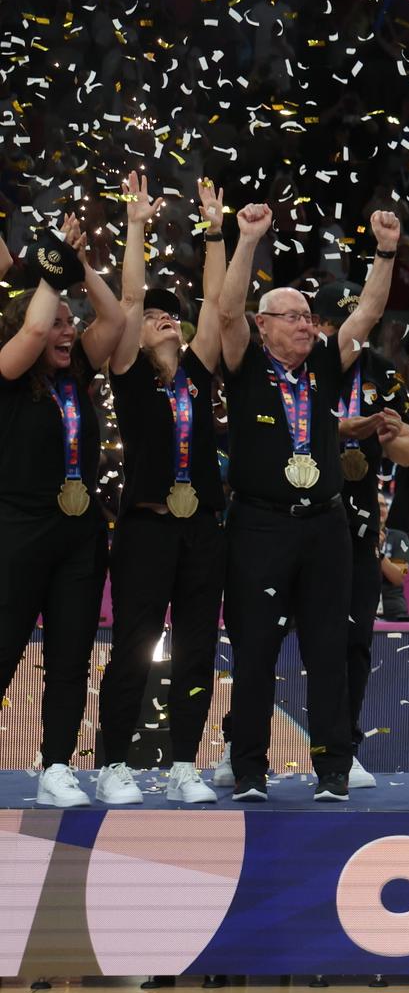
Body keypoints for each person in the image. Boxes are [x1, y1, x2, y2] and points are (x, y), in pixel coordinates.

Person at [215, 202, 395, 801]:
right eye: (291, 317)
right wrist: (246, 240)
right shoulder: (241, 364)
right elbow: (224, 308)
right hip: (258, 527)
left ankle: (334, 769)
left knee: (329, 648)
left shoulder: (322, 363)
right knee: (256, 651)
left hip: (324, 526)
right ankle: (248, 769)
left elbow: (367, 312)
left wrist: (386, 251)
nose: (305, 325)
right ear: (263, 325)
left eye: (308, 317)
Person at [94, 175, 228, 805]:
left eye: (168, 314)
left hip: (202, 528)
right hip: (147, 526)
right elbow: (125, 297)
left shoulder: (198, 371)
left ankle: (182, 763)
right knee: (134, 646)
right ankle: (112, 761)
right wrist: (138, 226)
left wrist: (214, 230)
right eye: (154, 316)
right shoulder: (128, 373)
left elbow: (215, 302)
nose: (164, 318)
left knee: (198, 648)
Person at [0, 214, 127, 808]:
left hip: (79, 531)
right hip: (17, 528)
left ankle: (56, 766)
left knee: (72, 653)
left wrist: (77, 271)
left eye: (68, 324)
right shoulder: (7, 368)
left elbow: (116, 319)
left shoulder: (79, 368)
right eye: (56, 324)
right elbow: (28, 332)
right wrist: (49, 273)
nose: (65, 331)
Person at [311, 278, 409, 787]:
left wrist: (394, 437)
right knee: (264, 638)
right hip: (298, 522)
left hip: (359, 532)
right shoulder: (304, 367)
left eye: (365, 325)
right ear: (321, 327)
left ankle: (344, 748)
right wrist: (344, 430)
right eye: (341, 325)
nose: (356, 335)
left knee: (354, 643)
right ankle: (241, 744)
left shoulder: (384, 374)